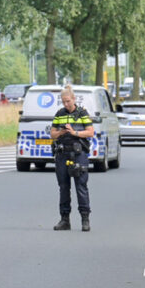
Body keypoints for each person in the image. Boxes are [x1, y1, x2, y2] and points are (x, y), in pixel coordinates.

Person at [50, 85, 94, 231]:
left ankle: (85, 219)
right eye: (63, 102)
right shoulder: (59, 114)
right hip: (62, 154)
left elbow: (90, 132)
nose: (66, 104)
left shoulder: (82, 113)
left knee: (81, 186)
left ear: (74, 99)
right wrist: (61, 132)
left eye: (68, 101)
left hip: (78, 154)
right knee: (63, 187)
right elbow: (52, 134)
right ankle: (64, 220)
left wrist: (74, 132)